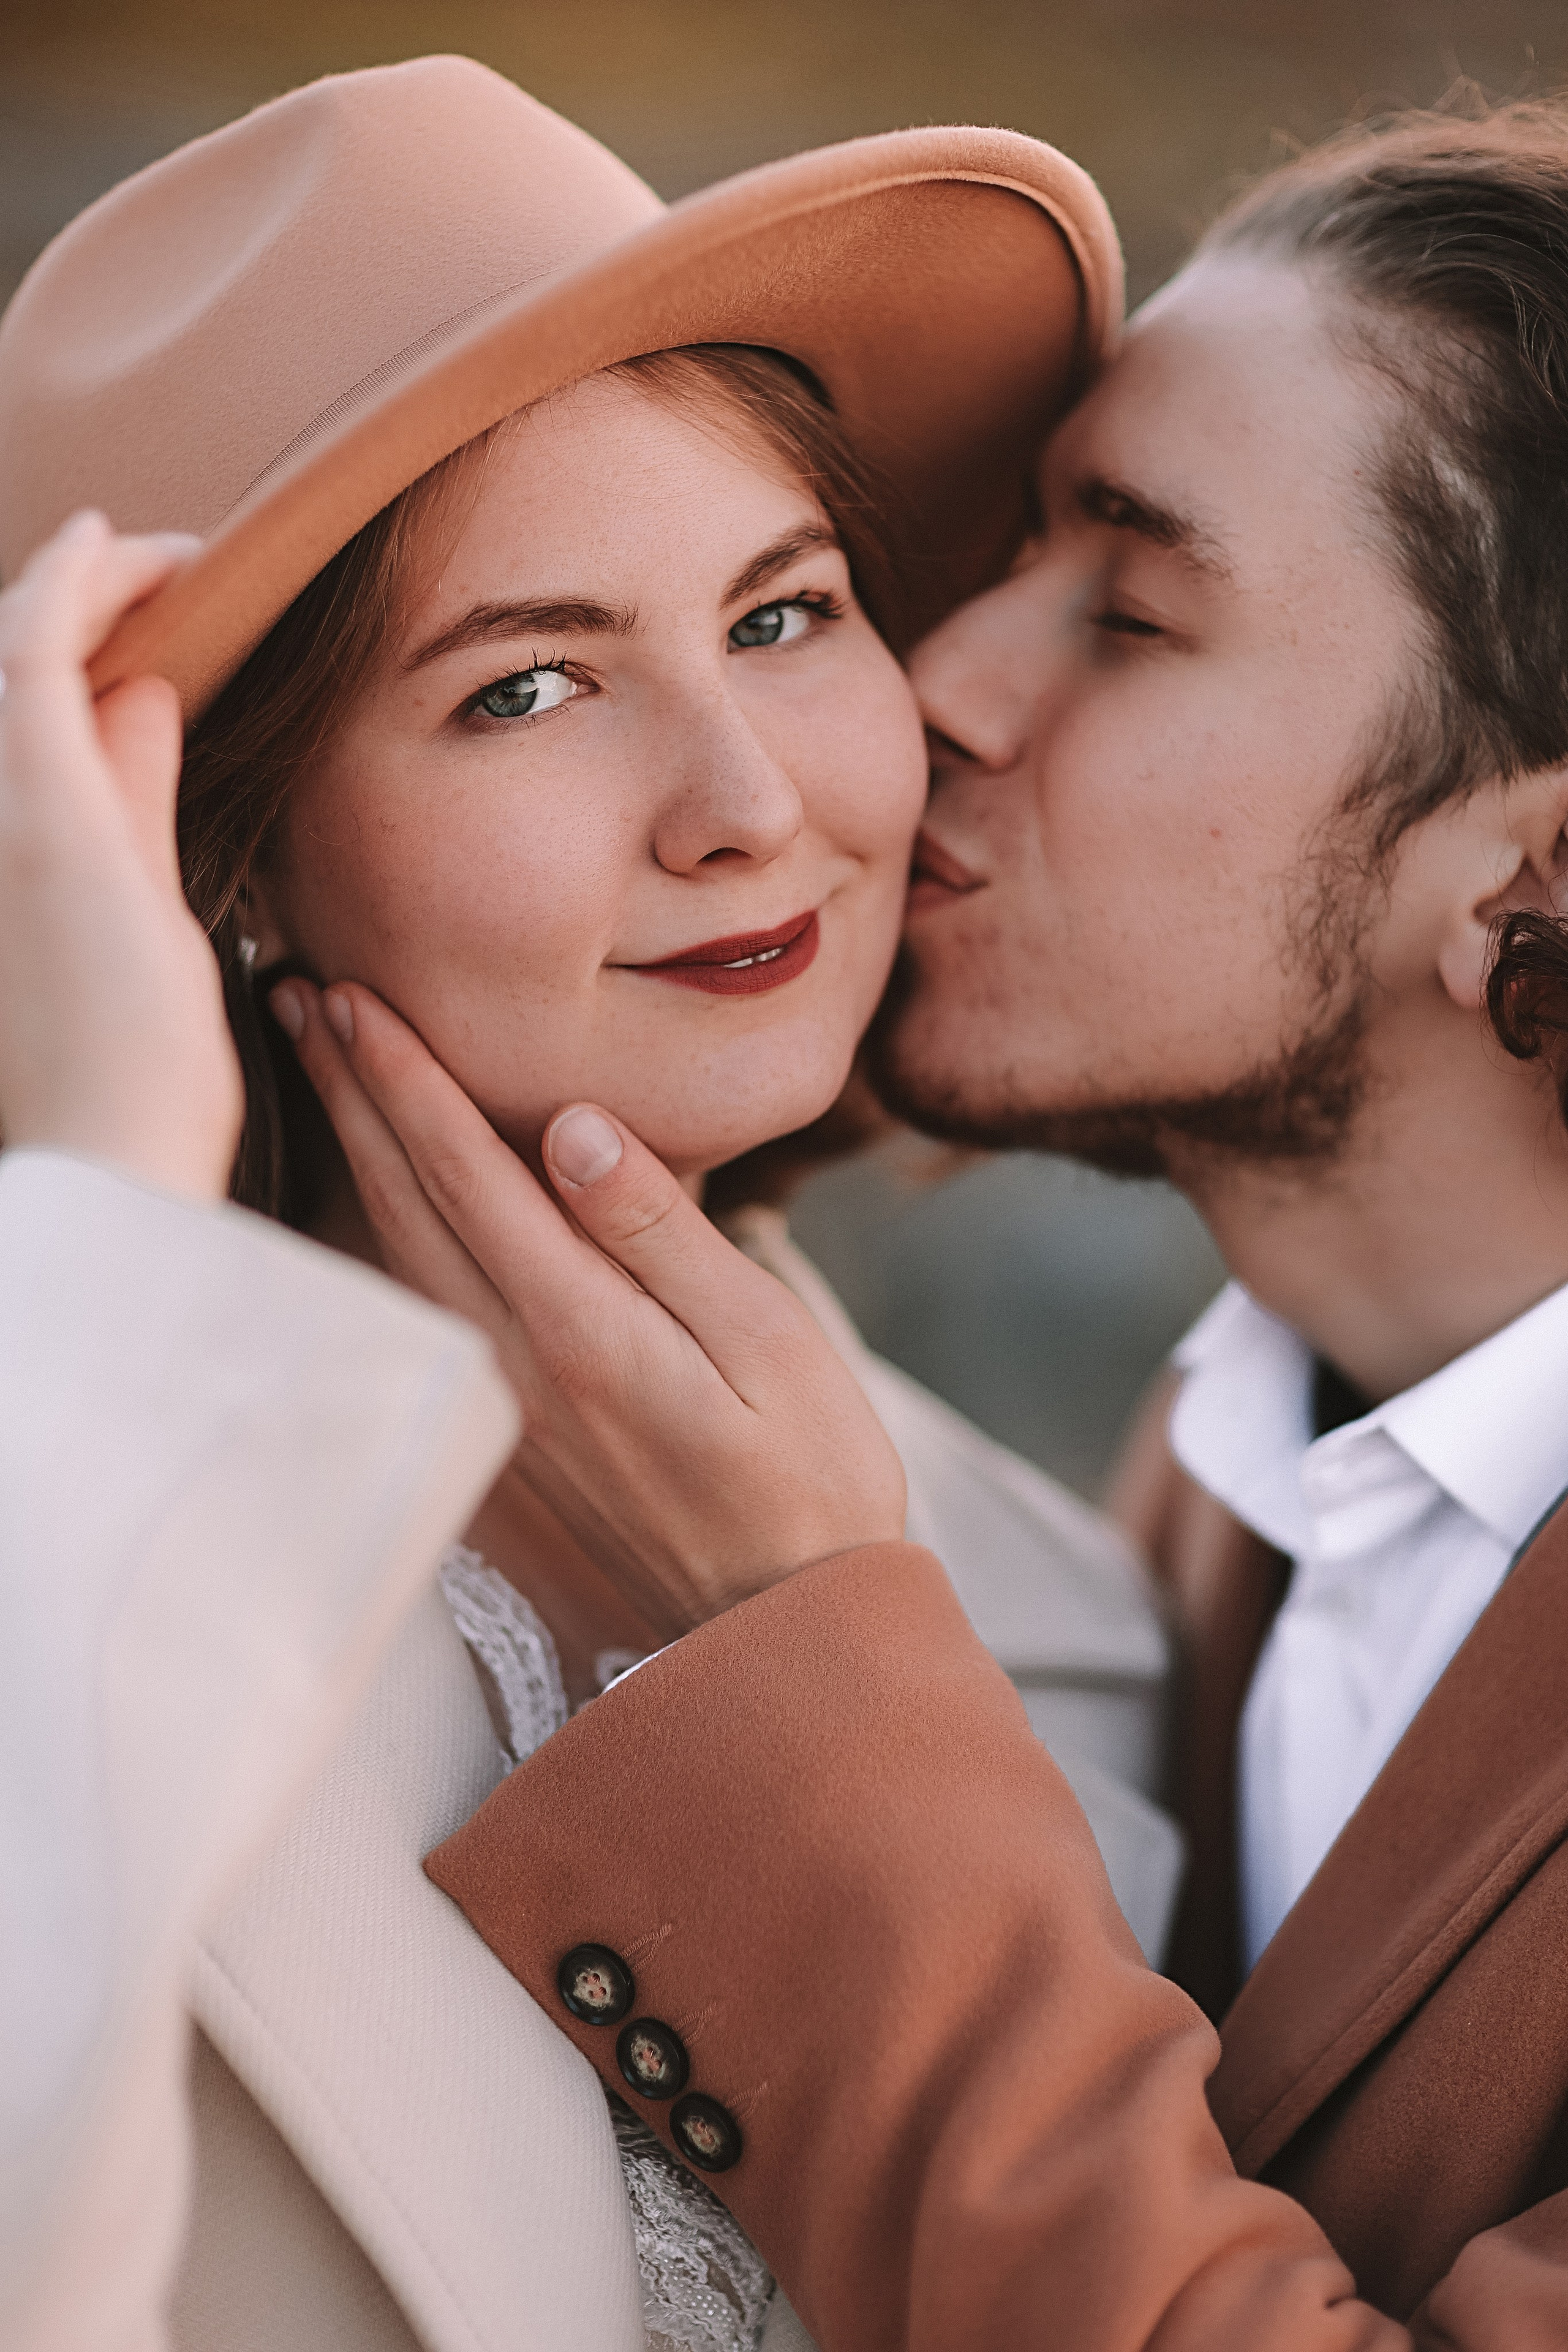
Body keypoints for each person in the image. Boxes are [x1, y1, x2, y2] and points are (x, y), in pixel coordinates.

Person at [0, 53, 1162, 2352]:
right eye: (529, 687)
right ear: (208, 850)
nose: (745, 804)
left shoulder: (1074, 1621)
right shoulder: (68, 1533)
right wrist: (107, 1165)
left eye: (782, 613)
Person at [399, 96, 1568, 2351]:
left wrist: (797, 1639)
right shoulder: (1221, 1489)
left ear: (1524, 875)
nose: (938, 682)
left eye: (1128, 610)